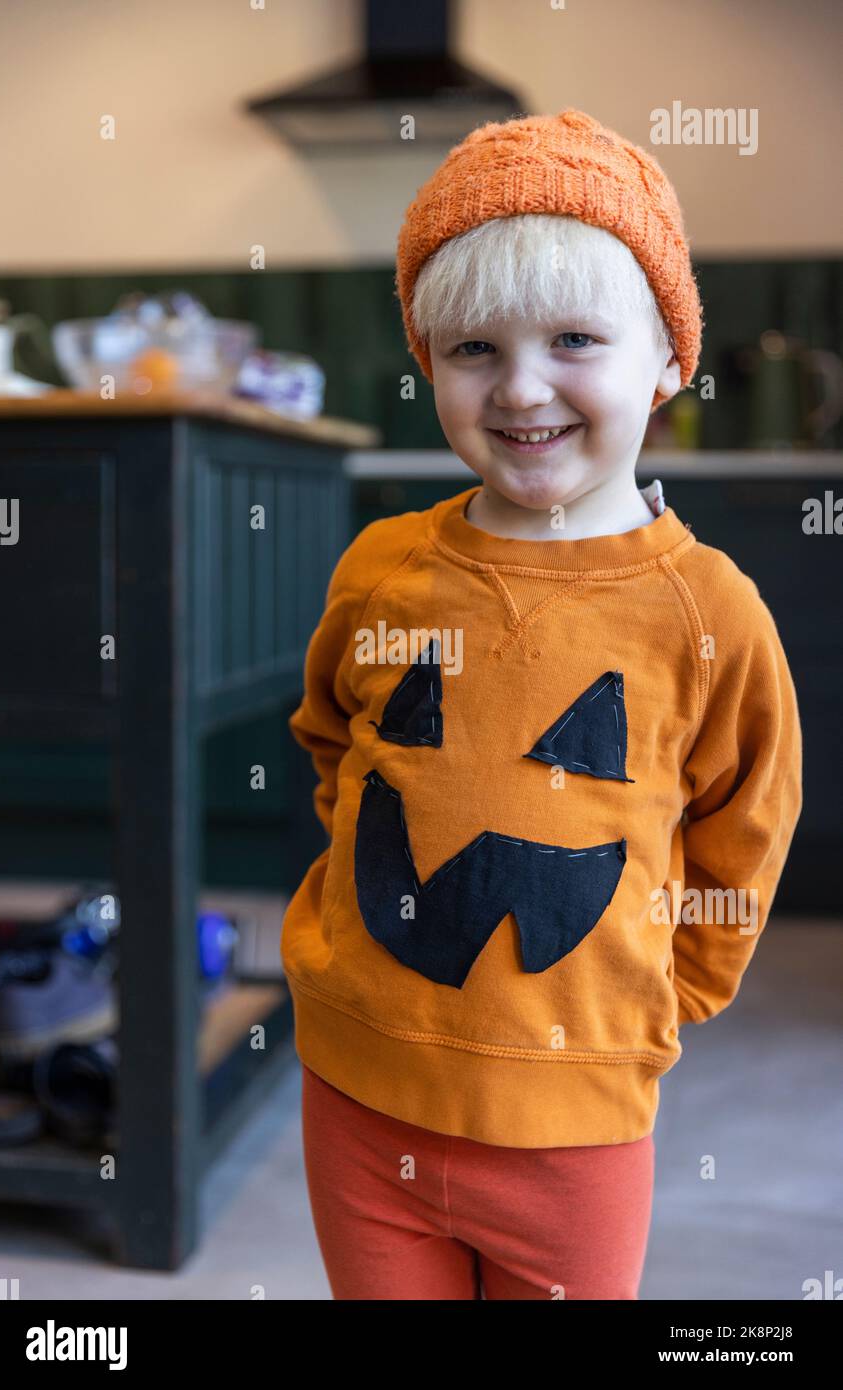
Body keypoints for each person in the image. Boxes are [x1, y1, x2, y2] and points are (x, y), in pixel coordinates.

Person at [281, 109, 803, 1300]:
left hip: (577, 1125)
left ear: (668, 356)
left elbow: (745, 823)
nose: (523, 388)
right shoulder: (382, 569)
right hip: (358, 1091)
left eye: (574, 338)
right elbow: (329, 743)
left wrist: (672, 992)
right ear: (429, 363)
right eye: (474, 349)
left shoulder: (709, 610)